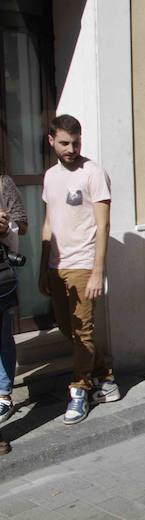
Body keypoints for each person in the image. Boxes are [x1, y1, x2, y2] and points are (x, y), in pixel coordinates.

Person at [38, 115, 118, 426]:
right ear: (51, 141)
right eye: (64, 143)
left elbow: (103, 225)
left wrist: (98, 271)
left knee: (83, 331)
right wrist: (44, 267)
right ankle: (105, 377)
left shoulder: (93, 173)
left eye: (76, 143)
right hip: (57, 266)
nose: (71, 149)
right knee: (66, 328)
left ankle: (79, 389)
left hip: (84, 263)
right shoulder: (50, 176)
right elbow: (49, 223)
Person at [0, 173, 28, 438]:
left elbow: (23, 224)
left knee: (2, 336)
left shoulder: (3, 183)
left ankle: (3, 392)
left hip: (0, 274)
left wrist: (5, 227)